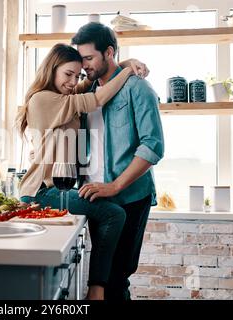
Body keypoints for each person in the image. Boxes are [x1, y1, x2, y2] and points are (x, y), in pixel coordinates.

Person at [16, 43, 148, 300]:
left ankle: (100, 288)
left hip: (58, 188)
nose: (73, 81)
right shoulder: (43, 99)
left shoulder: (63, 98)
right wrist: (128, 71)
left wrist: (123, 62)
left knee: (110, 214)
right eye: (68, 74)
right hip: (42, 192)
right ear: (51, 69)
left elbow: (92, 82)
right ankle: (96, 290)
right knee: (114, 215)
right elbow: (97, 97)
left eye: (77, 76)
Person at [72, 22, 165, 301]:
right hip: (93, 195)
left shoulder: (139, 89)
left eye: (89, 58)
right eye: (81, 59)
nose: (83, 65)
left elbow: (153, 146)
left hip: (129, 196)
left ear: (108, 52)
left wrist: (114, 186)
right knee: (101, 279)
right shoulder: (86, 92)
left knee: (115, 278)